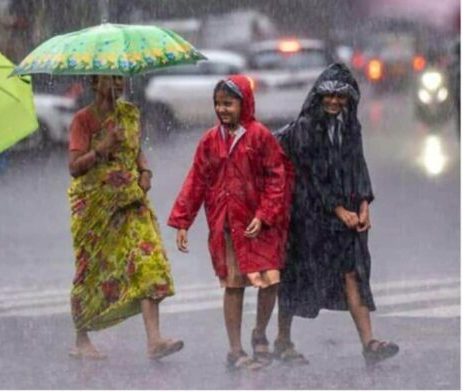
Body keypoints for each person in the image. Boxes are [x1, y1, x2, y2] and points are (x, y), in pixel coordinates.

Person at [274, 63, 399, 367]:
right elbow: (311, 175)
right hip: (308, 214)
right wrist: (338, 209)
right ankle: (282, 339)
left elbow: (358, 165)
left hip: (344, 213)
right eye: (328, 95)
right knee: (296, 275)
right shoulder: (306, 128)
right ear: (319, 96)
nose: (333, 102)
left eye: (340, 97)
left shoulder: (349, 125)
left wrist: (364, 204)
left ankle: (369, 343)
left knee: (352, 273)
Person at [168, 76, 292, 370]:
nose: (222, 110)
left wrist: (264, 215)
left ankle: (259, 332)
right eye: (218, 104)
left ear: (244, 103)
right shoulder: (210, 141)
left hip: (261, 227)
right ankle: (235, 350)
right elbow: (196, 181)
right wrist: (183, 221)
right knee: (234, 286)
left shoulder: (260, 136)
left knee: (270, 281)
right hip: (228, 227)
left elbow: (277, 179)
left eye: (229, 103)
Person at [67, 74, 182, 360]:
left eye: (120, 78)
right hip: (96, 208)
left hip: (131, 200)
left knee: (148, 260)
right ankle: (82, 339)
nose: (117, 84)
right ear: (95, 83)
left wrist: (145, 172)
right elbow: (74, 167)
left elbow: (137, 151)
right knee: (92, 270)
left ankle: (154, 340)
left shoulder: (130, 114)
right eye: (110, 79)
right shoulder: (84, 120)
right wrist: (101, 148)